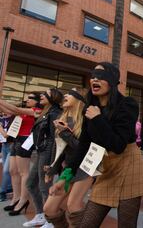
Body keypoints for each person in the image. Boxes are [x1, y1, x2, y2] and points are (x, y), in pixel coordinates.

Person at [51, 62, 143, 227]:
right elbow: (83, 146)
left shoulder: (127, 104)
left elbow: (118, 145)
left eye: (100, 76)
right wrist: (64, 178)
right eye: (93, 76)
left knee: (127, 224)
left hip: (129, 164)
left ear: (112, 80)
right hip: (105, 167)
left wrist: (98, 119)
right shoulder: (89, 108)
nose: (94, 79)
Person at [42, 88, 92, 227]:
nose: (65, 95)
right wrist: (52, 168)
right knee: (49, 209)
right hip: (68, 168)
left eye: (70, 93)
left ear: (79, 99)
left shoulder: (86, 120)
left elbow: (83, 149)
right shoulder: (62, 119)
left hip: (86, 166)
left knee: (73, 205)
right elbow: (58, 148)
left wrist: (65, 133)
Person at [25, 88, 63, 228]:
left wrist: (53, 162)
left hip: (47, 151)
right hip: (41, 150)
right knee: (30, 183)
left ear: (52, 98)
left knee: (44, 185)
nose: (41, 95)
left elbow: (55, 139)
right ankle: (40, 214)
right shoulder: (45, 112)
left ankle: (50, 219)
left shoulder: (55, 113)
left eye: (45, 94)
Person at [0, 93, 42, 216]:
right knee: (13, 170)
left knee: (23, 172)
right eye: (27, 97)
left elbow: (15, 109)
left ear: (37, 101)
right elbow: (7, 109)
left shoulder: (36, 110)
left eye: (30, 98)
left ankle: (23, 200)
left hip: (26, 140)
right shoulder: (25, 111)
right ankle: (16, 198)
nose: (27, 99)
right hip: (17, 139)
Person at [0, 113, 15, 201]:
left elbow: (6, 135)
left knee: (6, 170)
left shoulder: (15, 119)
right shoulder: (2, 119)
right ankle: (9, 188)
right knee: (7, 170)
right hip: (4, 146)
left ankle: (2, 192)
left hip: (12, 146)